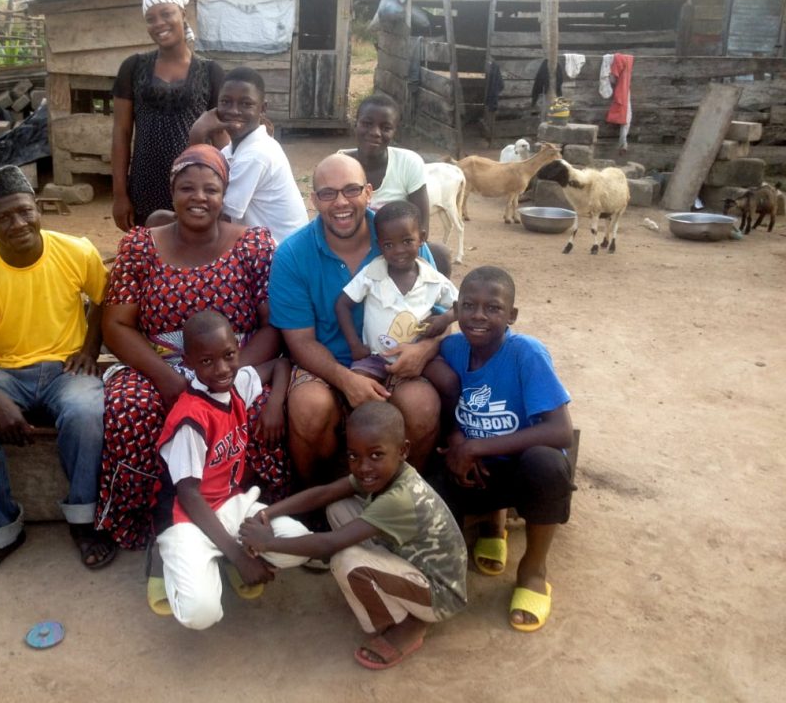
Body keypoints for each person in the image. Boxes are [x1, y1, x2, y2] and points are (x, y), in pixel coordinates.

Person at [96, 144, 287, 551]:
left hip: (235, 366)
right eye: (187, 188)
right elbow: (115, 324)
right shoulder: (140, 246)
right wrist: (168, 379)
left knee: (259, 407)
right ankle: (148, 519)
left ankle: (253, 514)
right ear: (172, 191)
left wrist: (230, 379)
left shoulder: (254, 245)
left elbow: (274, 325)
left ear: (224, 195)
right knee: (130, 404)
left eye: (210, 189)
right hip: (162, 365)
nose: (199, 197)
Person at [0, 165, 114, 581]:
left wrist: (90, 348)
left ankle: (83, 522)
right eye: (3, 217)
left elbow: (105, 300)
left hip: (66, 368)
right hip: (3, 374)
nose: (18, 224)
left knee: (88, 414)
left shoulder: (76, 251)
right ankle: (0, 534)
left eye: (23, 211)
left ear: (37, 208)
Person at [240, 401, 467, 670]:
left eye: (375, 455)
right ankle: (387, 593)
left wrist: (268, 543)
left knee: (345, 561)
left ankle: (403, 624)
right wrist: (268, 514)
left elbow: (328, 544)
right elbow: (324, 493)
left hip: (440, 594)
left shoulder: (400, 497)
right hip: (413, 562)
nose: (363, 467)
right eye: (353, 456)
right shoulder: (385, 473)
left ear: (403, 450)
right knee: (338, 507)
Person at [269, 153, 444, 488]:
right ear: (313, 200)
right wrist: (346, 380)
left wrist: (423, 351)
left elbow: (440, 317)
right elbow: (300, 341)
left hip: (396, 363)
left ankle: (402, 502)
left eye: (351, 190)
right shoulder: (292, 255)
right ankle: (315, 503)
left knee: (421, 406)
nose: (341, 203)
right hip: (327, 363)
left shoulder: (401, 238)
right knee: (308, 406)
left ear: (368, 191)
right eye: (328, 193)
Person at [435, 266, 574, 632]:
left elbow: (560, 431)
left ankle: (533, 570)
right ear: (457, 309)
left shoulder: (526, 353)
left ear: (511, 316)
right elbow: (446, 405)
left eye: (493, 308)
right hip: (474, 470)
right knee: (431, 480)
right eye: (469, 306)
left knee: (547, 464)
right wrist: (456, 441)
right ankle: (492, 526)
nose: (479, 316)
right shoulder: (451, 348)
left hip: (519, 471)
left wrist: (477, 447)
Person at [154, 311, 308, 629]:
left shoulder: (235, 383)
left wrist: (274, 404)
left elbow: (280, 364)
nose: (222, 369)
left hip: (229, 504)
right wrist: (240, 556)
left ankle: (221, 554)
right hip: (188, 519)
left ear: (237, 349)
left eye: (228, 355)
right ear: (189, 362)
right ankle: (167, 560)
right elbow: (189, 495)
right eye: (207, 361)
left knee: (299, 545)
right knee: (201, 614)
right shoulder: (191, 418)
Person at [110, 0, 225, 230]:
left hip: (195, 186)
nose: (159, 23)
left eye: (166, 13)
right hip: (145, 185)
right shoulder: (133, 68)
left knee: (194, 258)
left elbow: (222, 139)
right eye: (150, 19)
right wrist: (120, 194)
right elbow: (121, 133)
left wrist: (227, 191)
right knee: (149, 257)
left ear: (182, 13)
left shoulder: (210, 72)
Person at [334, 200, 458, 390]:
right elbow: (342, 304)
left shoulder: (432, 279)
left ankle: (451, 420)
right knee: (357, 384)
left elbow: (462, 305)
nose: (399, 250)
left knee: (449, 382)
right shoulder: (372, 274)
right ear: (379, 245)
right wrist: (355, 345)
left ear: (422, 238)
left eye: (407, 241)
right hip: (376, 357)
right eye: (389, 245)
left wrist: (445, 319)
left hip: (418, 357)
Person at [188, 66, 309, 244]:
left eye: (246, 104)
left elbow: (220, 217)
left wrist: (197, 134)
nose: (234, 111)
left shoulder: (257, 154)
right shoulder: (232, 149)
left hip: (280, 255)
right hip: (262, 246)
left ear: (263, 108)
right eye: (226, 102)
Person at [339, 93, 451, 274]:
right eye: (367, 124)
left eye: (385, 127)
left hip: (396, 252)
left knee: (440, 256)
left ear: (394, 131)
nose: (375, 132)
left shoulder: (408, 163)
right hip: (352, 249)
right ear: (355, 124)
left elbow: (421, 227)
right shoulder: (339, 165)